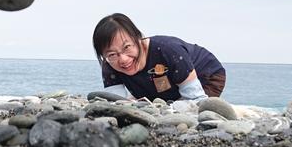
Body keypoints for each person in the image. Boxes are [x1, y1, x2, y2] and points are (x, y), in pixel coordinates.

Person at [92, 13, 226, 102]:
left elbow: (195, 99)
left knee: (190, 107)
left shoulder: (168, 50)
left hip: (207, 74)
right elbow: (117, 103)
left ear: (138, 38)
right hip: (162, 82)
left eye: (127, 47)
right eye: (112, 54)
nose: (123, 59)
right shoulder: (109, 64)